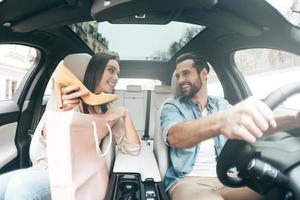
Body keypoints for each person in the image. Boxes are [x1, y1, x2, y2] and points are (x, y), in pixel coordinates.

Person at [0, 52, 141, 200]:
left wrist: (126, 114)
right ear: (96, 70)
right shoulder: (71, 100)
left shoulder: (110, 113)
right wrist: (62, 113)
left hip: (76, 174)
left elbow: (134, 148)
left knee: (21, 186)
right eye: (111, 70)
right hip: (48, 167)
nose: (116, 78)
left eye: (118, 73)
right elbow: (47, 138)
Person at [160, 52, 282, 200]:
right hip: (188, 181)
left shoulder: (222, 105)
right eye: (178, 76)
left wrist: (295, 119)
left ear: (203, 73)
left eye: (186, 73)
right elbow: (175, 137)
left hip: (227, 177)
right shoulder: (172, 106)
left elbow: (259, 122)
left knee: (278, 191)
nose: (180, 80)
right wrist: (220, 122)